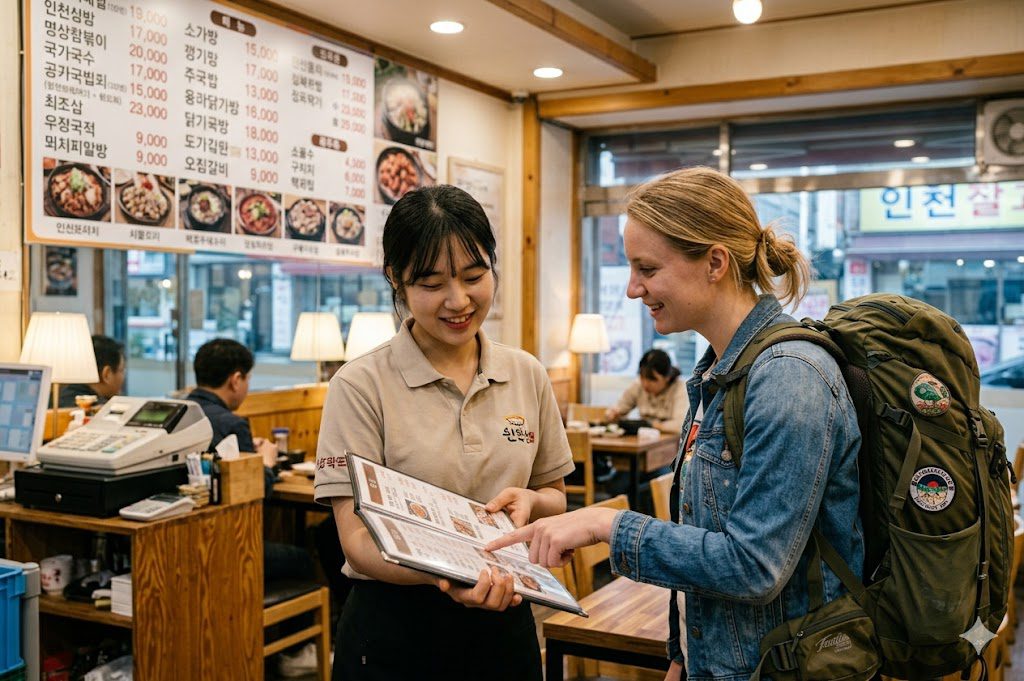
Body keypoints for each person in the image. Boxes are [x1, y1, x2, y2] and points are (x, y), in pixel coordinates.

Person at [487, 167, 863, 681]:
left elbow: (754, 565)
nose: (632, 289)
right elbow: (701, 536)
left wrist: (606, 524)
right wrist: (682, 652)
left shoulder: (789, 377)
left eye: (647, 268)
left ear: (714, 262)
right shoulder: (719, 370)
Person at [314, 184, 575, 681]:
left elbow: (555, 497)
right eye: (431, 284)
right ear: (396, 279)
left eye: (474, 276)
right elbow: (357, 543)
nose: (459, 301)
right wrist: (449, 574)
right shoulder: (360, 385)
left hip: (506, 623)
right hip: (395, 631)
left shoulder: (526, 373)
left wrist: (531, 502)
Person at [187, 339, 318, 678]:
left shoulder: (182, 412)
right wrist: (269, 463)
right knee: (303, 558)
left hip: (191, 546)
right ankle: (294, 654)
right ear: (236, 379)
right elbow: (256, 491)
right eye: (247, 379)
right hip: (230, 548)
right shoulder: (231, 423)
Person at [605, 348, 688, 434]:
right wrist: (613, 414)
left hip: (670, 442)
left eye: (652, 379)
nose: (645, 384)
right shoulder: (638, 386)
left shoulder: (680, 388)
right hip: (645, 439)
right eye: (642, 377)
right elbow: (618, 408)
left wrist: (652, 425)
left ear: (667, 377)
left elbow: (680, 425)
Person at [58, 335, 126, 408]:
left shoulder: (59, 398)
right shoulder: (100, 410)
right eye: (121, 370)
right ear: (106, 374)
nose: (123, 377)